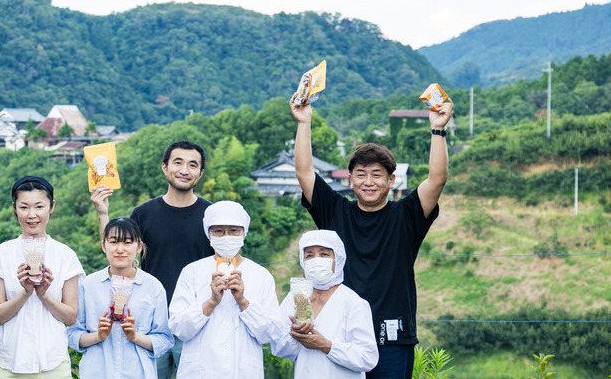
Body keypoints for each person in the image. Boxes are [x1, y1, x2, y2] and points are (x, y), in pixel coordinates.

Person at [290, 91, 452, 379]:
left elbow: (437, 179)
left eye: (377, 175)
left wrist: (438, 129)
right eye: (361, 174)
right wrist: (304, 122)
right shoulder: (335, 211)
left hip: (390, 338)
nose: (368, 182)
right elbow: (305, 173)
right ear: (350, 179)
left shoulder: (406, 216)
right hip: (337, 336)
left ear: (391, 180)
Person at [92, 140, 214, 378]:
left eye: (192, 165)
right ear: (164, 167)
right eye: (177, 163)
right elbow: (118, 253)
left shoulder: (210, 216)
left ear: (200, 173)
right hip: (149, 322)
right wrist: (102, 213)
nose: (184, 170)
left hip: (194, 322)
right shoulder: (143, 213)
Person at [0, 176, 85, 378]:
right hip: (11, 364)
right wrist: (26, 292)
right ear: (14, 208)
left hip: (53, 363)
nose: (32, 215)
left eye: (39, 206)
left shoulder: (66, 255)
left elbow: (71, 317)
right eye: (24, 207)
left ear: (51, 207)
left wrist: (44, 294)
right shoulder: (1, 254)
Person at [168, 200, 284, 379]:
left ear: (244, 233)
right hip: (200, 372)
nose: (226, 236)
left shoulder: (261, 275)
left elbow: (271, 334)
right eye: (219, 231)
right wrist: (211, 302)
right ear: (209, 235)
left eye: (234, 230)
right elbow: (179, 328)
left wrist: (243, 302)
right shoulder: (192, 272)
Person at [67, 217, 173, 378]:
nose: (120, 249)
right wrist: (99, 335)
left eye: (128, 242)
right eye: (114, 242)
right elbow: (72, 334)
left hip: (138, 373)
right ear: (104, 245)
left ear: (139, 247)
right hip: (97, 372)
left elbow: (165, 339)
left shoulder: (153, 287)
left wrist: (134, 336)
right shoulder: (88, 285)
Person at [272, 230, 378, 378]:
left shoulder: (353, 303)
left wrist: (327, 346)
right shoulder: (297, 297)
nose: (316, 260)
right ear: (303, 261)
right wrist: (295, 335)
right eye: (309, 255)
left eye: (324, 254)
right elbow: (278, 347)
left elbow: (368, 358)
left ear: (338, 259)